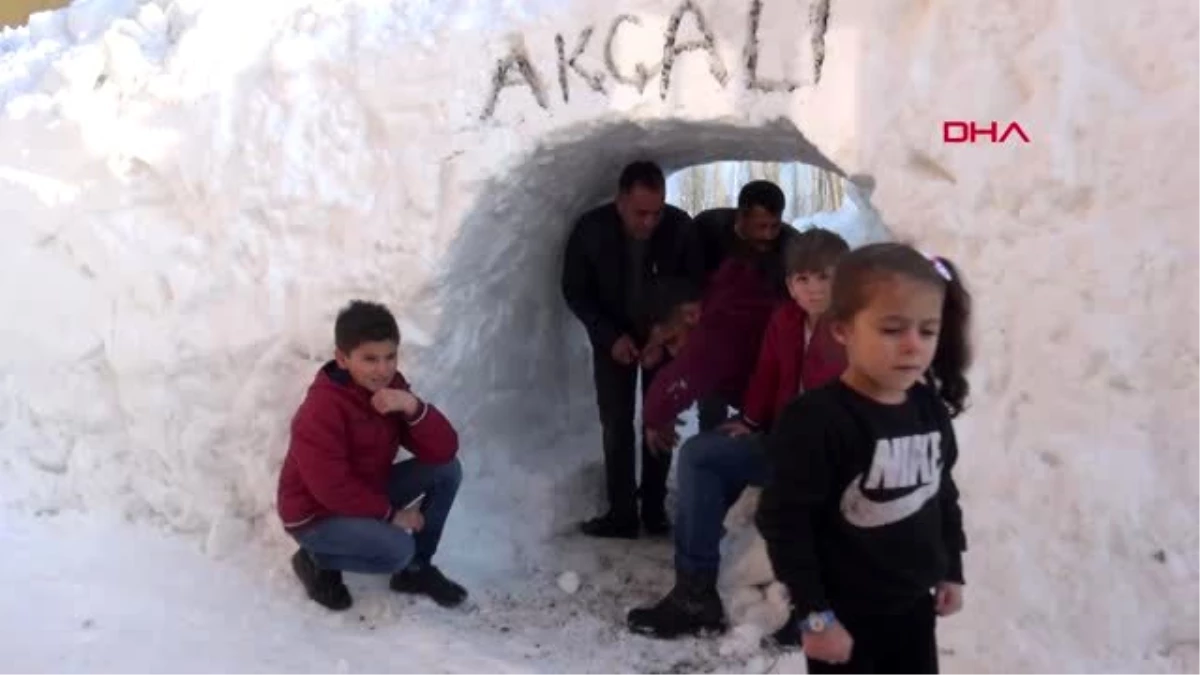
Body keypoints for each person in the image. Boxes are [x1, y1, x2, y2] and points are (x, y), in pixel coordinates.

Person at [756, 243, 971, 674]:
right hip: (843, 620)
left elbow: (941, 493)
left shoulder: (927, 409)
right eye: (892, 329)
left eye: (927, 331)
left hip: (913, 609)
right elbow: (785, 521)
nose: (912, 346)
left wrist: (951, 567)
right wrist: (815, 616)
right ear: (842, 329)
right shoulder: (817, 420)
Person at [627, 228, 850, 639]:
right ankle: (695, 594)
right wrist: (749, 420)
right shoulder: (785, 319)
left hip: (838, 455)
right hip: (781, 443)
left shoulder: (857, 327)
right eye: (803, 278)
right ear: (790, 284)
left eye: (825, 276)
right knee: (700, 454)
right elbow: (767, 373)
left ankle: (810, 602)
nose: (814, 288)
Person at [276, 300, 468, 611]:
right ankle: (314, 559)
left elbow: (444, 449)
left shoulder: (391, 388)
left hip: (365, 489)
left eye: (390, 357)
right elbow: (331, 488)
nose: (383, 369)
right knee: (397, 550)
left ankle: (415, 571)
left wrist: (411, 406)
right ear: (342, 359)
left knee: (447, 469)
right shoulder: (321, 410)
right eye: (370, 359)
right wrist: (391, 515)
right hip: (316, 515)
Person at [561, 160, 703, 539]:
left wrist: (667, 333)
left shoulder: (679, 227)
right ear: (620, 200)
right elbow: (576, 291)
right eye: (640, 213)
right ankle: (622, 512)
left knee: (659, 418)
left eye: (656, 212)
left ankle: (655, 510)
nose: (649, 222)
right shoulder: (591, 230)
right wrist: (609, 337)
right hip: (614, 339)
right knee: (617, 422)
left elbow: (695, 287)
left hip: (665, 337)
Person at [686, 181, 795, 431]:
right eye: (761, 226)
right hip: (714, 342)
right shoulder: (707, 230)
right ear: (741, 217)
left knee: (759, 413)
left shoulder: (789, 245)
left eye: (774, 226)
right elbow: (688, 281)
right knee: (711, 410)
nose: (769, 234)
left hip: (760, 344)